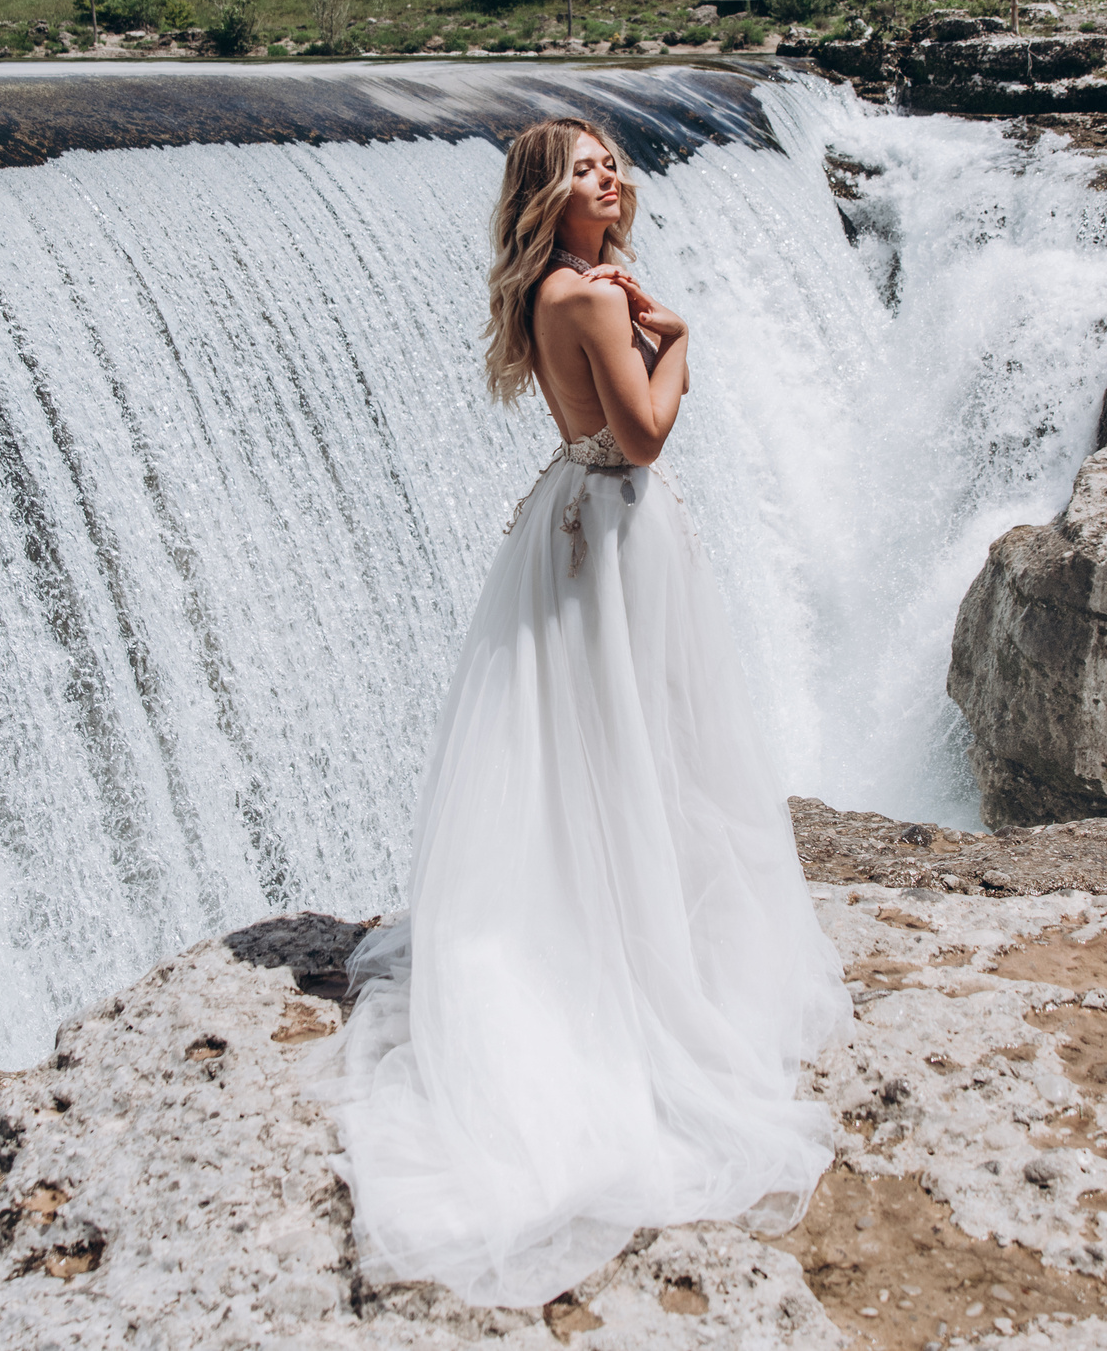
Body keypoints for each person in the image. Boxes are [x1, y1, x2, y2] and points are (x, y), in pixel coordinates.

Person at [319, 117, 848, 1308]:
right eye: (584, 170)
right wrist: (681, 346)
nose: (610, 179)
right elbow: (644, 435)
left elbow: (596, 428)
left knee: (585, 747)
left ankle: (605, 930)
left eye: (612, 163)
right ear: (545, 194)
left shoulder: (549, 291)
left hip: (572, 517)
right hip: (615, 522)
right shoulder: (597, 298)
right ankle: (648, 968)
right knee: (643, 743)